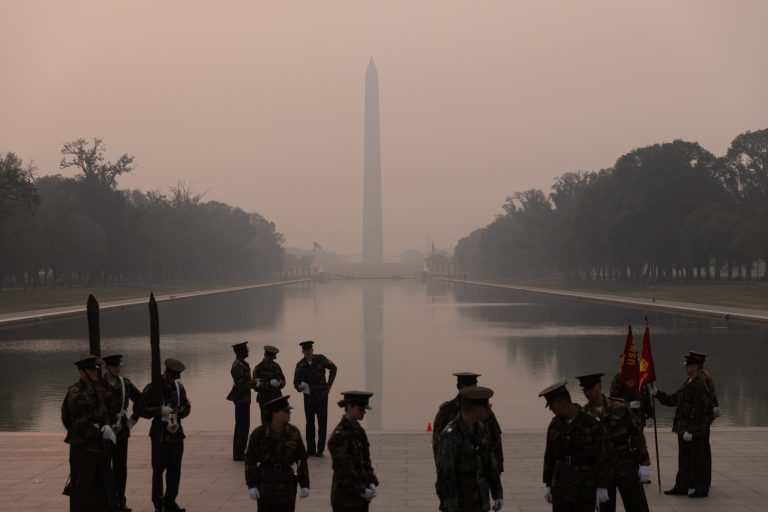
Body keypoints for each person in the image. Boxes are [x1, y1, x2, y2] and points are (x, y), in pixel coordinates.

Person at [577, 373, 650, 512]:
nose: (588, 393)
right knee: (606, 509)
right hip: (602, 472)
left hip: (626, 465)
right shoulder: (584, 415)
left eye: (591, 389)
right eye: (585, 390)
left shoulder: (620, 407)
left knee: (637, 506)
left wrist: (644, 463)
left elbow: (637, 434)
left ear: (599, 387)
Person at [650, 350, 718, 498]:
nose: (685, 367)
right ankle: (681, 486)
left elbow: (700, 408)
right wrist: (657, 394)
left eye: (687, 365)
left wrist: (691, 430)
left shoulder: (700, 382)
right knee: (684, 459)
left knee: (698, 459)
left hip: (694, 429)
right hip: (684, 427)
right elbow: (676, 399)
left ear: (695, 366)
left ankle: (701, 488)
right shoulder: (690, 381)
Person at [539, 381, 611, 512]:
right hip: (560, 487)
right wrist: (548, 483)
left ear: (562, 401)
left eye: (552, 406)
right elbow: (549, 456)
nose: (552, 410)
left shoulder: (591, 423)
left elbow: (602, 456)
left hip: (584, 488)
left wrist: (602, 485)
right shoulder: (555, 425)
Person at [435, 386, 504, 512]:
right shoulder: (450, 436)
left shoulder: (482, 429)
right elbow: (446, 478)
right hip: (461, 504)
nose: (489, 410)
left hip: (480, 501)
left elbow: (490, 463)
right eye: (486, 406)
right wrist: (451, 508)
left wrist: (497, 493)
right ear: (475, 409)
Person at [61, 355, 115, 512]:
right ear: (82, 371)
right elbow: (75, 423)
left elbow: (105, 411)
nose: (95, 372)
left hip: (98, 447)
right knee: (82, 489)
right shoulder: (76, 393)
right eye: (92, 369)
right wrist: (99, 432)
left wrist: (106, 426)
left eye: (96, 369)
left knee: (100, 488)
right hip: (83, 447)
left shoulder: (97, 389)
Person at [139, 358, 191, 512]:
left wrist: (178, 412)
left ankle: (170, 501)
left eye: (176, 377)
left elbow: (187, 407)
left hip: (176, 435)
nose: (173, 380)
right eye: (172, 376)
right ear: (166, 372)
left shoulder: (179, 387)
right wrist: (159, 411)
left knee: (175, 471)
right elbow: (141, 409)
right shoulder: (153, 388)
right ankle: (158, 503)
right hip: (159, 436)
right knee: (158, 471)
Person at [245, 395, 310, 511]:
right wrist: (252, 485)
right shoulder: (259, 434)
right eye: (285, 411)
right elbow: (250, 461)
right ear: (275, 413)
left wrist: (304, 484)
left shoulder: (293, 432)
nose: (289, 413)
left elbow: (301, 459)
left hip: (287, 484)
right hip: (266, 484)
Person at [432, 372, 503, 472]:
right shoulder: (446, 410)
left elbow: (495, 439)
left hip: (480, 474)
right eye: (467, 387)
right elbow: (437, 443)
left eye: (473, 387)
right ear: (458, 387)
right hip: (456, 471)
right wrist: (441, 469)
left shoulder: (484, 410)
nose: (470, 391)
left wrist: (498, 467)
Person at [102, 354, 142, 512]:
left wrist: (134, 418)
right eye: (113, 366)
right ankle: (108, 501)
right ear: (107, 367)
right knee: (105, 468)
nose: (116, 368)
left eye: (118, 366)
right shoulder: (99, 385)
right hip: (105, 432)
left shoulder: (125, 383)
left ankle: (120, 501)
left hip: (121, 431)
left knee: (120, 468)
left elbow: (141, 399)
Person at [328, 391, 379, 512]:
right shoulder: (341, 435)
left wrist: (371, 481)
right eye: (361, 409)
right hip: (345, 500)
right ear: (349, 407)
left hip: (360, 498)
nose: (364, 412)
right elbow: (343, 469)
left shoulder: (358, 430)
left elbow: (365, 460)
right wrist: (361, 490)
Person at [293, 340, 337, 456]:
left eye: (309, 350)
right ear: (302, 352)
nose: (307, 352)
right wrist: (299, 387)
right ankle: (311, 449)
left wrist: (328, 385)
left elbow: (334, 368)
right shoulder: (300, 365)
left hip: (322, 396)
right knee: (310, 424)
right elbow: (296, 382)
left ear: (312, 350)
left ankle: (320, 449)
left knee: (322, 423)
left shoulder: (321, 359)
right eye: (305, 351)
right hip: (308, 398)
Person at [226, 342, 252, 461]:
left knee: (242, 425)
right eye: (245, 350)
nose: (247, 351)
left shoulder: (242, 363)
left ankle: (239, 452)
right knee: (242, 426)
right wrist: (254, 383)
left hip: (244, 398)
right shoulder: (237, 365)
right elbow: (241, 383)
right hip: (241, 398)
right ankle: (239, 453)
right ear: (240, 352)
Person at [609, 360, 653, 429]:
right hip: (624, 419)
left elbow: (647, 400)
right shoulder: (618, 379)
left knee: (639, 439)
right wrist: (628, 404)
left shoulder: (642, 378)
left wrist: (650, 416)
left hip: (640, 419)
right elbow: (613, 401)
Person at [253, 345, 286, 424]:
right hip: (265, 400)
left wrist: (280, 384)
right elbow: (255, 386)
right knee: (266, 423)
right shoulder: (258, 368)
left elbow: (283, 381)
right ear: (266, 355)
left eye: (273, 358)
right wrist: (269, 384)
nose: (271, 360)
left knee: (278, 423)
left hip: (277, 398)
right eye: (270, 357)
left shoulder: (276, 366)